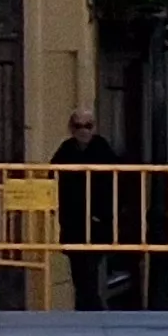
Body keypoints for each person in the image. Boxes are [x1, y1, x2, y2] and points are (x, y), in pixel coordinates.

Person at [48, 109, 124, 310]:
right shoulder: (65, 150)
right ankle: (88, 310)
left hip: (97, 222)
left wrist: (105, 215)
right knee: (79, 273)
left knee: (88, 271)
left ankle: (91, 311)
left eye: (88, 126)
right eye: (78, 126)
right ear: (71, 129)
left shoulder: (102, 150)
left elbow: (116, 184)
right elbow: (52, 179)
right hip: (72, 222)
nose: (83, 131)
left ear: (94, 127)